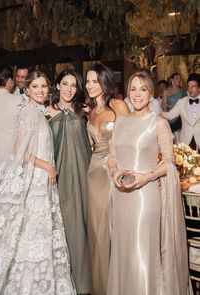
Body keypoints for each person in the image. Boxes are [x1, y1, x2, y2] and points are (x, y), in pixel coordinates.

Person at [0, 70, 76, 294]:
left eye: (44, 86)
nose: (40, 90)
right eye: (35, 87)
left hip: (40, 180)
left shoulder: (36, 111)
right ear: (27, 89)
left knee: (29, 234)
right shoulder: (30, 114)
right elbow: (19, 152)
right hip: (35, 178)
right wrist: (46, 165)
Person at [107, 70, 190, 295]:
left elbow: (169, 163)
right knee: (124, 252)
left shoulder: (158, 122)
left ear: (151, 93)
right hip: (121, 195)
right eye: (133, 89)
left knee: (142, 253)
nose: (137, 94)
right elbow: (112, 154)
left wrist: (147, 176)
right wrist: (114, 170)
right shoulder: (121, 122)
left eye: (142, 89)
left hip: (145, 198)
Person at [85, 63, 129, 295]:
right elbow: (93, 145)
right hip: (94, 174)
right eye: (88, 81)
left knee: (117, 227)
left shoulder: (118, 105)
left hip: (115, 170)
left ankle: (120, 285)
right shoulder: (89, 111)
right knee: (98, 230)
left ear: (105, 81)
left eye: (95, 81)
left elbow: (131, 138)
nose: (90, 85)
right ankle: (101, 286)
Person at [47, 69, 91, 295]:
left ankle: (84, 280)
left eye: (73, 85)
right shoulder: (45, 111)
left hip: (84, 175)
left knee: (82, 222)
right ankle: (64, 280)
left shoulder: (84, 111)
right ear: (57, 85)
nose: (69, 89)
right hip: (58, 176)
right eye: (65, 84)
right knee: (63, 223)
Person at [162, 73, 200, 150]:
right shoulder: (181, 102)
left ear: (199, 88)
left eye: (193, 86)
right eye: (189, 86)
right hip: (186, 143)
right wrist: (153, 114)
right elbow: (169, 115)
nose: (190, 89)